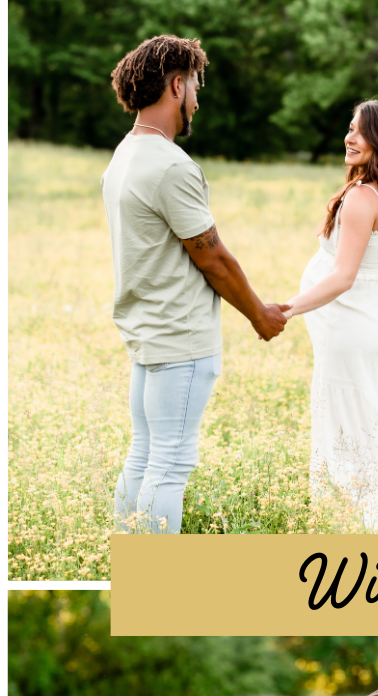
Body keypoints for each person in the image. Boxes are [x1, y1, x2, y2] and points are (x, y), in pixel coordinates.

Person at [102, 34, 288, 534]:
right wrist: (260, 315)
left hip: (147, 336)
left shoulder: (124, 156)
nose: (197, 101)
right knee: (171, 465)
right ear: (176, 84)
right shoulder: (170, 166)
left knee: (144, 455)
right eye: (196, 87)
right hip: (180, 340)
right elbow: (215, 260)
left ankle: (128, 557)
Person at [282, 100, 378, 532]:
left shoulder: (364, 197)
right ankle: (377, 520)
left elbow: (344, 276)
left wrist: (287, 309)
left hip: (353, 330)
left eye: (360, 132)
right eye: (349, 128)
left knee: (352, 437)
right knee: (375, 428)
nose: (349, 138)